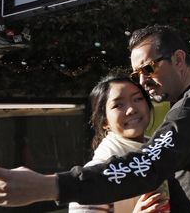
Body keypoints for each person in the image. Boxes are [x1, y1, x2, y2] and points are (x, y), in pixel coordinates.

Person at [0, 25, 190, 212]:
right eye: (137, 73)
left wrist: (49, 185)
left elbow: (146, 165)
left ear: (178, 59)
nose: (143, 81)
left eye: (148, 69)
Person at [70, 76, 167, 213]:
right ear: (104, 122)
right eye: (118, 105)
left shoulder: (167, 153)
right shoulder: (94, 177)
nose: (131, 109)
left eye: (137, 99)